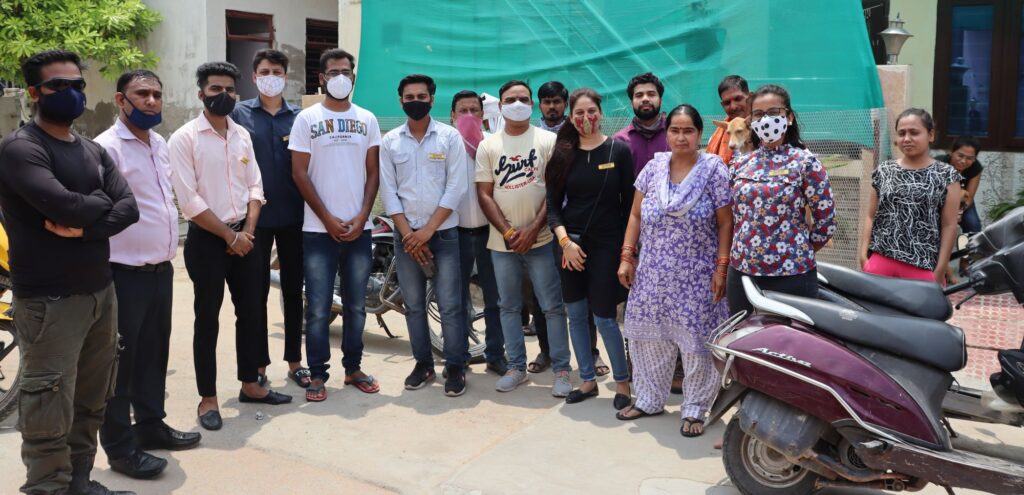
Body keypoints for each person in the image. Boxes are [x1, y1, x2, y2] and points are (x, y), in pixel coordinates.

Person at [0, 49, 139, 495]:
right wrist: (98, 206)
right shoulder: (20, 149)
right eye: (60, 86)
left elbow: (130, 208)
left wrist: (81, 228)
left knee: (90, 398)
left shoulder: (92, 149)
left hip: (100, 291)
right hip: (50, 300)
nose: (72, 93)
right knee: (47, 404)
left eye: (78, 85)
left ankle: (80, 480)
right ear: (35, 93)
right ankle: (48, 487)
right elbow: (64, 205)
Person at [169, 61, 292, 432]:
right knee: (207, 318)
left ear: (237, 93)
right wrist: (229, 236)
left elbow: (255, 185)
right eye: (214, 89)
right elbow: (188, 200)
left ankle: (250, 384)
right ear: (200, 94)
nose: (223, 96)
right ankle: (207, 398)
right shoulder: (184, 138)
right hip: (208, 240)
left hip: (246, 236)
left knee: (252, 312)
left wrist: (247, 231)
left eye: (228, 89)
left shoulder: (241, 135)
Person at [95, 69, 201, 481]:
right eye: (142, 94)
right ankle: (121, 448)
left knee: (154, 354)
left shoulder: (158, 143)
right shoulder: (106, 149)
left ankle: (151, 426)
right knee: (119, 363)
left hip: (160, 270)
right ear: (122, 100)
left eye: (157, 94)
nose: (152, 101)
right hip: (123, 272)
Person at [615, 105, 733, 437]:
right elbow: (635, 215)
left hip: (697, 275)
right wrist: (627, 256)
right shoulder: (653, 169)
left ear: (699, 134)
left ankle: (695, 408)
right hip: (652, 273)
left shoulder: (714, 170)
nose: (681, 137)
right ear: (667, 134)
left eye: (688, 131)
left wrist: (721, 268)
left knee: (695, 343)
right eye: (675, 130)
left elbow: (726, 223)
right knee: (647, 339)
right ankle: (650, 399)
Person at [289, 49, 381, 401]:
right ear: (322, 77)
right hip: (317, 230)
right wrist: (327, 218)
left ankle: (353, 368)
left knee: (357, 305)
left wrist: (362, 216)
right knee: (318, 306)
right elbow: (299, 172)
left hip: (360, 229)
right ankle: (317, 374)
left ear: (353, 77)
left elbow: (373, 172)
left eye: (346, 71)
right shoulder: (307, 119)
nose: (340, 76)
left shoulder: (368, 119)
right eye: (333, 71)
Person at [476, 80, 573, 397]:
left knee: (552, 307)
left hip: (542, 240)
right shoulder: (489, 145)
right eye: (510, 99)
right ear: (500, 105)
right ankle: (516, 367)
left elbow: (555, 191)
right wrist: (508, 231)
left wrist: (532, 229)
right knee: (508, 306)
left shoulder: (548, 139)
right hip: (501, 243)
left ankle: (561, 369)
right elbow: (484, 194)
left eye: (522, 98)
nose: (516, 103)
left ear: (531, 104)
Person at [380, 74, 469, 396]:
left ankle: (456, 367)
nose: (415, 101)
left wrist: (428, 230)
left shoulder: (449, 137)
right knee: (414, 305)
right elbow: (389, 192)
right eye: (409, 96)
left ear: (432, 100)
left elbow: (456, 186)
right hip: (405, 238)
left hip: (443, 235)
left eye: (421, 96)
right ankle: (423, 364)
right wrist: (408, 235)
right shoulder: (390, 141)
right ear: (400, 100)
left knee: (449, 305)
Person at [545, 88, 634, 407]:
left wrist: (627, 252)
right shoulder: (563, 153)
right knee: (575, 312)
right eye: (579, 113)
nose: (586, 118)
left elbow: (629, 208)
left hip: (607, 245)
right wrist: (565, 242)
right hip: (571, 245)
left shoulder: (618, 151)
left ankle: (622, 383)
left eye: (591, 111)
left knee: (605, 317)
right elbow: (552, 206)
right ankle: (586, 380)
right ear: (572, 117)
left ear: (601, 113)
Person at [230, 49, 308, 389]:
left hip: (294, 216)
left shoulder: (301, 117)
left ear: (285, 76)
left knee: (293, 291)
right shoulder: (238, 114)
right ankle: (258, 364)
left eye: (277, 70)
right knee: (255, 293)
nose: (271, 76)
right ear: (254, 76)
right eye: (265, 70)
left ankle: (295, 361)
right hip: (254, 221)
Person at [727, 84, 836, 315]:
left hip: (792, 276)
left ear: (789, 117)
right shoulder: (739, 164)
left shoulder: (806, 163)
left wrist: (796, 250)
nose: (766, 120)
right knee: (743, 346)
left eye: (774, 113)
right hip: (742, 274)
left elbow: (826, 223)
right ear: (751, 122)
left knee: (791, 347)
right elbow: (731, 215)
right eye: (758, 114)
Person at [859, 109, 961, 283]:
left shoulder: (946, 175)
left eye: (914, 132)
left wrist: (940, 269)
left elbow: (949, 226)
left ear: (931, 135)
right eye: (902, 133)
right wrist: (863, 255)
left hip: (923, 266)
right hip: (880, 262)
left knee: (922, 311)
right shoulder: (884, 170)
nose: (907, 139)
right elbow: (871, 215)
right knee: (874, 310)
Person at [451, 90, 506, 376]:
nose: (469, 116)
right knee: (456, 298)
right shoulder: (447, 145)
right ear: (452, 115)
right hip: (456, 234)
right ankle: (458, 356)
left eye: (475, 110)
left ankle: (496, 353)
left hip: (489, 233)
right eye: (463, 111)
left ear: (484, 115)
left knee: (495, 297)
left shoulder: (493, 145)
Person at [613, 72, 669, 175]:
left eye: (651, 94)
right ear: (631, 103)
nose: (645, 99)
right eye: (639, 95)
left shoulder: (674, 136)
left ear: (660, 101)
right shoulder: (618, 141)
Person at [938, 135, 983, 234]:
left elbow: (969, 197)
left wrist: (959, 211)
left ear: (975, 159)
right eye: (960, 155)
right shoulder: (939, 164)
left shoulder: (976, 168)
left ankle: (969, 249)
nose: (963, 161)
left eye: (969, 158)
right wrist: (950, 213)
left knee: (973, 225)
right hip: (939, 201)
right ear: (951, 152)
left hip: (962, 201)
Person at [705, 75, 750, 165]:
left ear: (750, 97)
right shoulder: (713, 140)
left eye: (738, 99)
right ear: (722, 105)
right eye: (727, 103)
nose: (733, 107)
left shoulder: (767, 134)